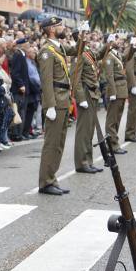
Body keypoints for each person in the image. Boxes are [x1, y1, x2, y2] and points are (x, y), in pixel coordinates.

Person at [36, 16, 75, 196]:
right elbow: (46, 81)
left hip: (63, 100)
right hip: (56, 102)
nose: (63, 27)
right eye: (59, 25)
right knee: (51, 144)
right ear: (51, 29)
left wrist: (80, 35)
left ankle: (52, 178)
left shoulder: (58, 48)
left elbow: (77, 50)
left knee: (59, 144)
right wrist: (49, 105)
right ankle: (45, 182)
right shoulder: (46, 51)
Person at [72, 32, 103, 174]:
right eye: (85, 37)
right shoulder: (79, 54)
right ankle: (81, 162)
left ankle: (88, 161)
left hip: (93, 94)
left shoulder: (87, 52)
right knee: (83, 131)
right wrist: (81, 98)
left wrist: (108, 45)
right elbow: (76, 79)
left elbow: (99, 55)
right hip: (85, 94)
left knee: (89, 131)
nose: (89, 38)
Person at [103, 35, 128, 154]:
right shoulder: (109, 56)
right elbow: (109, 75)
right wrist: (112, 92)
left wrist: (132, 47)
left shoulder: (116, 54)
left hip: (121, 89)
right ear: (110, 41)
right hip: (116, 90)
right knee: (112, 120)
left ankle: (113, 143)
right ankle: (112, 145)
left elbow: (128, 56)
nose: (119, 41)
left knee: (117, 118)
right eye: (116, 39)